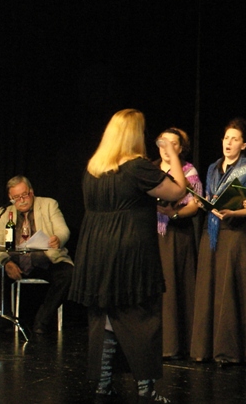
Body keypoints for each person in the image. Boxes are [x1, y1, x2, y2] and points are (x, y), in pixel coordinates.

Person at [68, 109, 188, 403]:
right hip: (129, 250)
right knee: (141, 315)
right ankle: (146, 389)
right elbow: (177, 191)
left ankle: (103, 384)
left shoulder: (94, 168)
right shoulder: (137, 167)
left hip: (96, 249)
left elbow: (121, 202)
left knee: (105, 314)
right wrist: (173, 155)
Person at [189, 118, 246, 365]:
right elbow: (210, 196)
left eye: (235, 139)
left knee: (229, 291)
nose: (229, 143)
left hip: (235, 233)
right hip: (212, 232)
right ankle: (205, 348)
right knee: (209, 288)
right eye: (226, 138)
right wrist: (202, 202)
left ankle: (229, 350)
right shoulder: (212, 167)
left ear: (243, 145)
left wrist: (234, 212)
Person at [0, 175, 73, 334]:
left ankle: (41, 321)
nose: (22, 200)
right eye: (16, 197)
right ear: (10, 198)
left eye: (24, 195)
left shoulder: (49, 204)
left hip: (45, 260)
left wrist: (58, 239)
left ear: (31, 192)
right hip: (16, 262)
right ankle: (4, 321)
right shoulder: (4, 213)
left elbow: (63, 230)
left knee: (68, 274)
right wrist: (7, 262)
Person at [154, 128, 201, 360]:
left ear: (180, 148)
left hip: (177, 235)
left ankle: (174, 345)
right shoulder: (150, 169)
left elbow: (194, 204)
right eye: (163, 143)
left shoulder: (187, 171)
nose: (167, 148)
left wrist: (173, 214)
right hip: (153, 235)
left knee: (174, 288)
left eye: (173, 143)